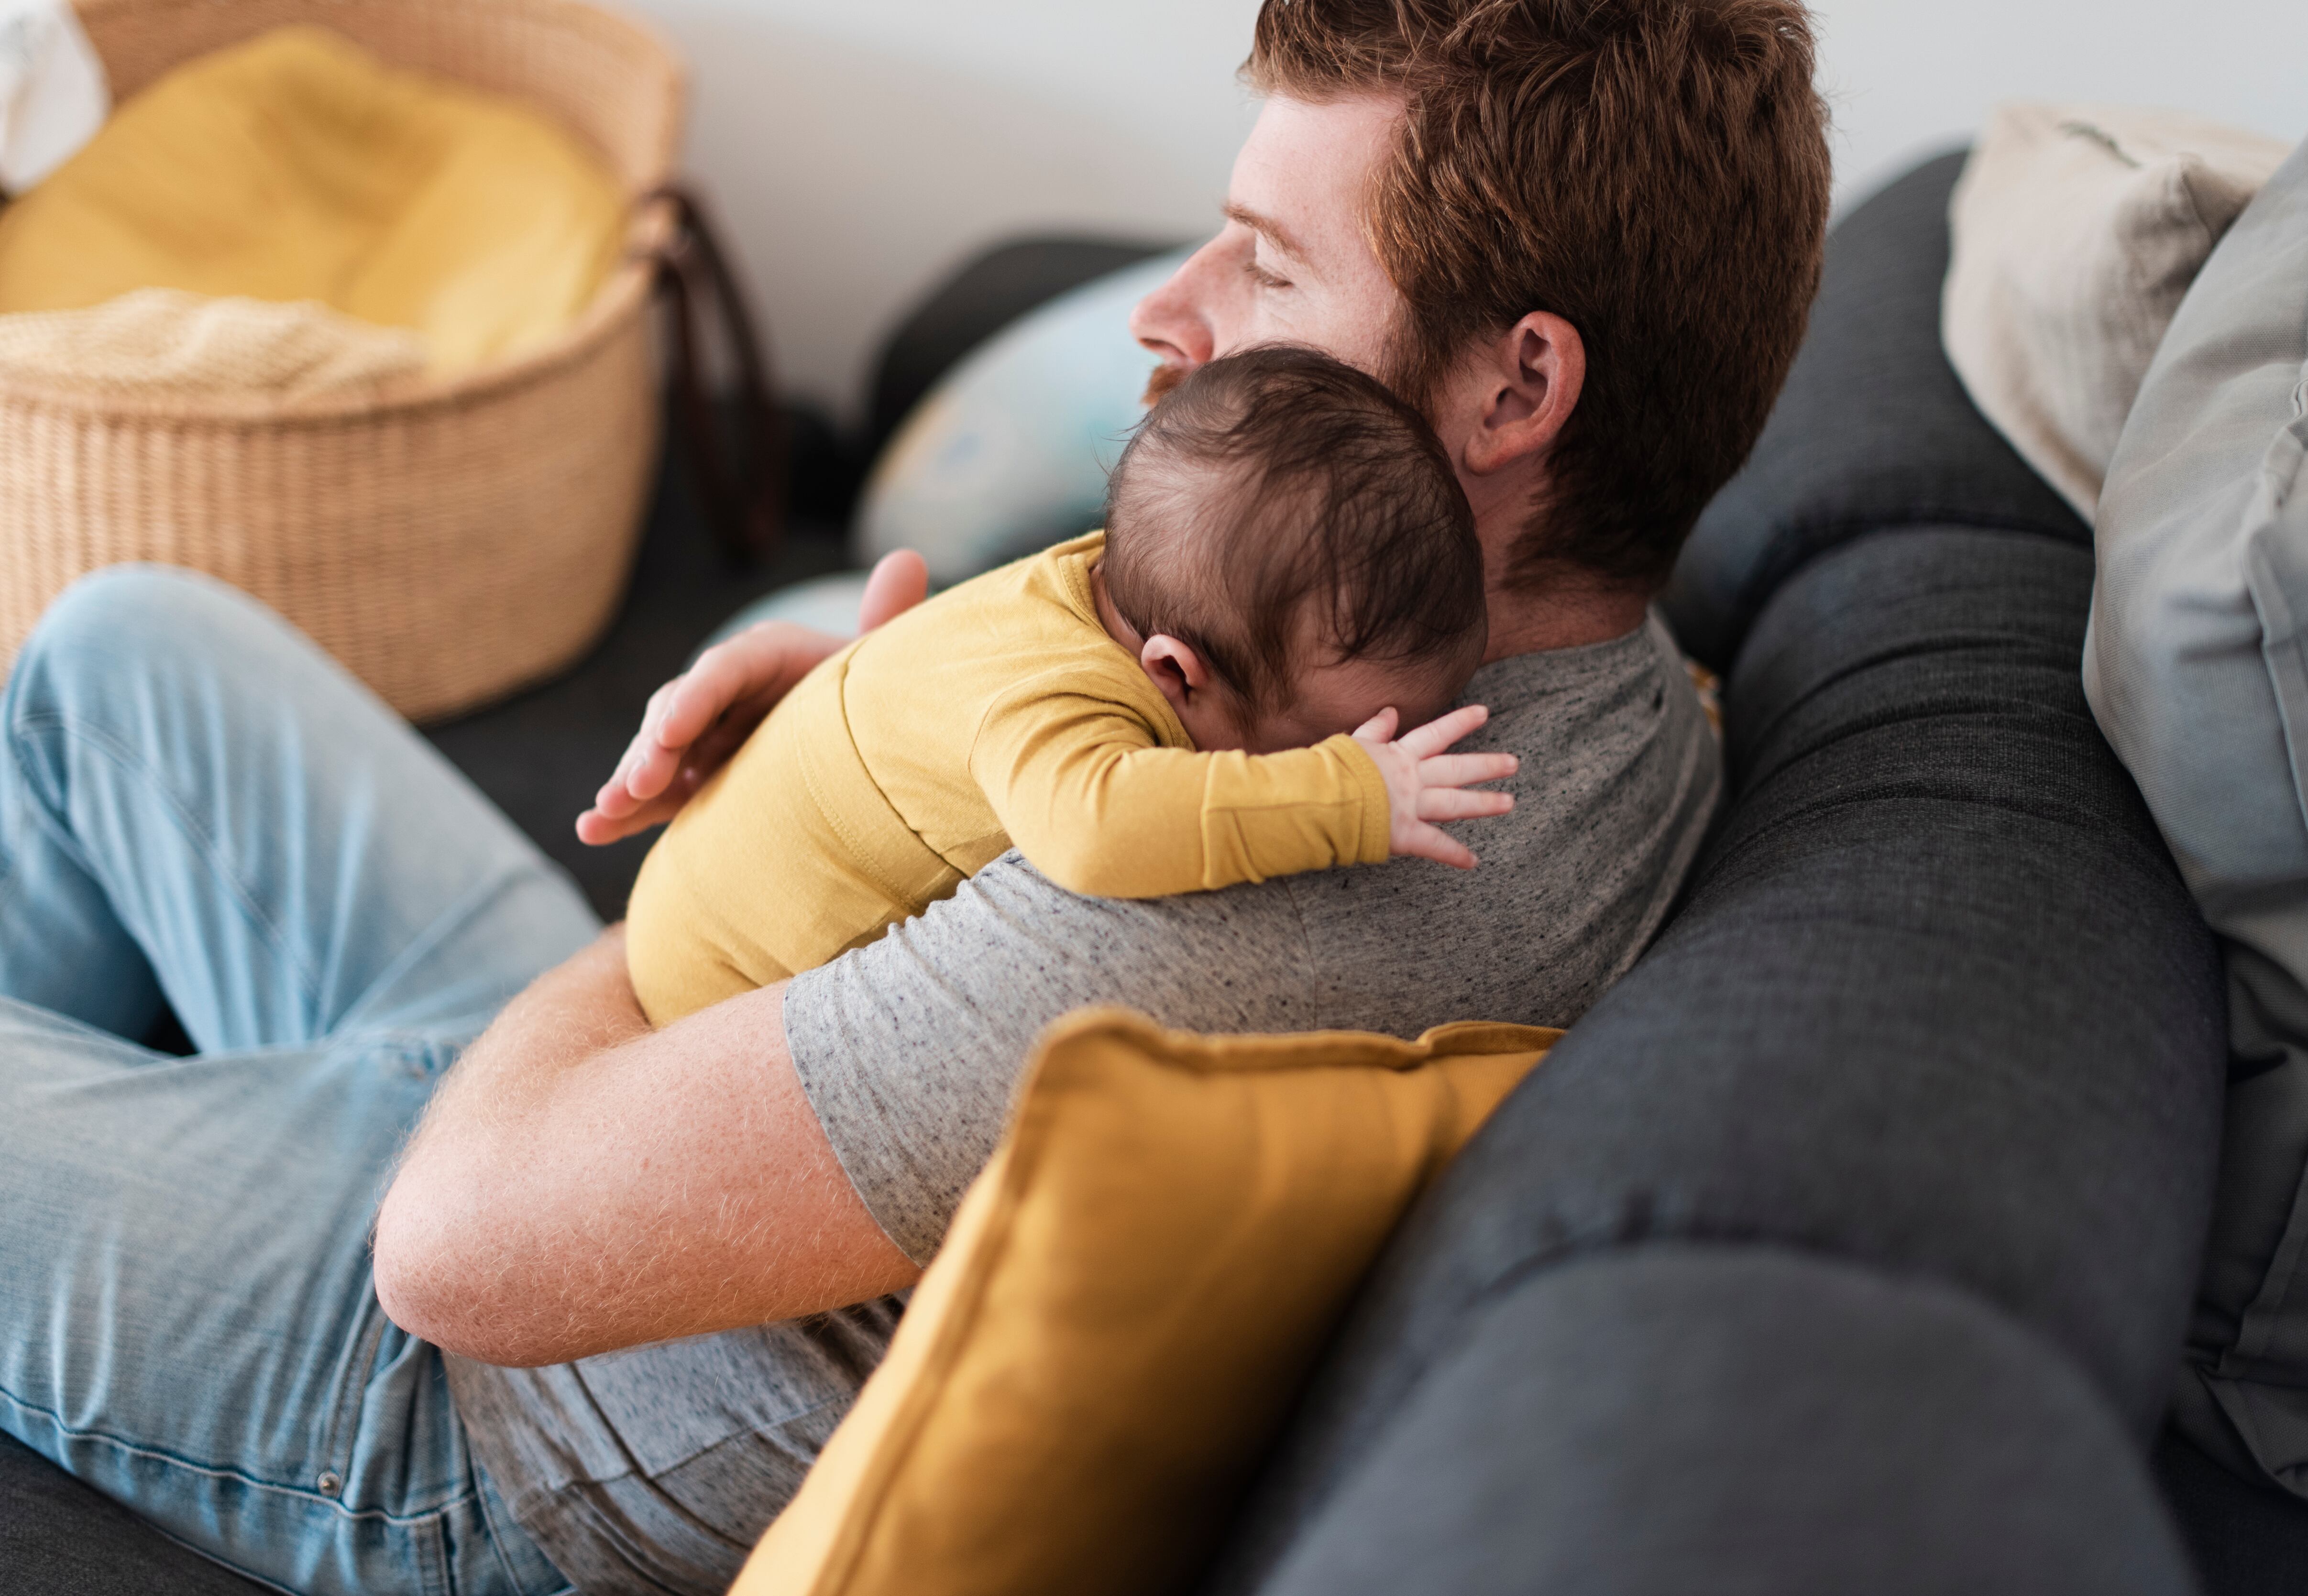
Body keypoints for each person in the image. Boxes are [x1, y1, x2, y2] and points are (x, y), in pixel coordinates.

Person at [0, 2, 1830, 1593]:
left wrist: (728, 852)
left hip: (495, 1395)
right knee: (118, 649)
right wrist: (856, 741)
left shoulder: (1258, 868)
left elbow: (458, 1250)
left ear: (1521, 384)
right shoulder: (1611, 689)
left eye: (1269, 268)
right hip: (675, 1118)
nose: (1175, 320)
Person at [629, 346, 1516, 1025]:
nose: (1378, 751)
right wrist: (1351, 795)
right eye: (1332, 739)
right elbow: (1100, 830)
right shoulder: (1067, 702)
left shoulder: (1103, 578)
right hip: (712, 978)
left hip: (703, 871)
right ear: (1175, 671)